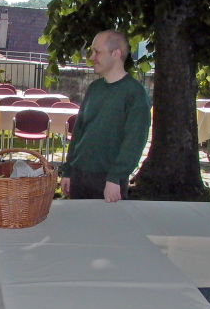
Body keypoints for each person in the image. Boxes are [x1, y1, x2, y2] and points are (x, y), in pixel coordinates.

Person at [60, 30, 151, 202]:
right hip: (79, 175)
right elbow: (79, 131)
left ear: (116, 54)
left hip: (108, 179)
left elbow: (135, 140)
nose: (91, 57)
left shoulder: (135, 93)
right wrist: (68, 170)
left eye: (97, 52)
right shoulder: (94, 88)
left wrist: (115, 177)